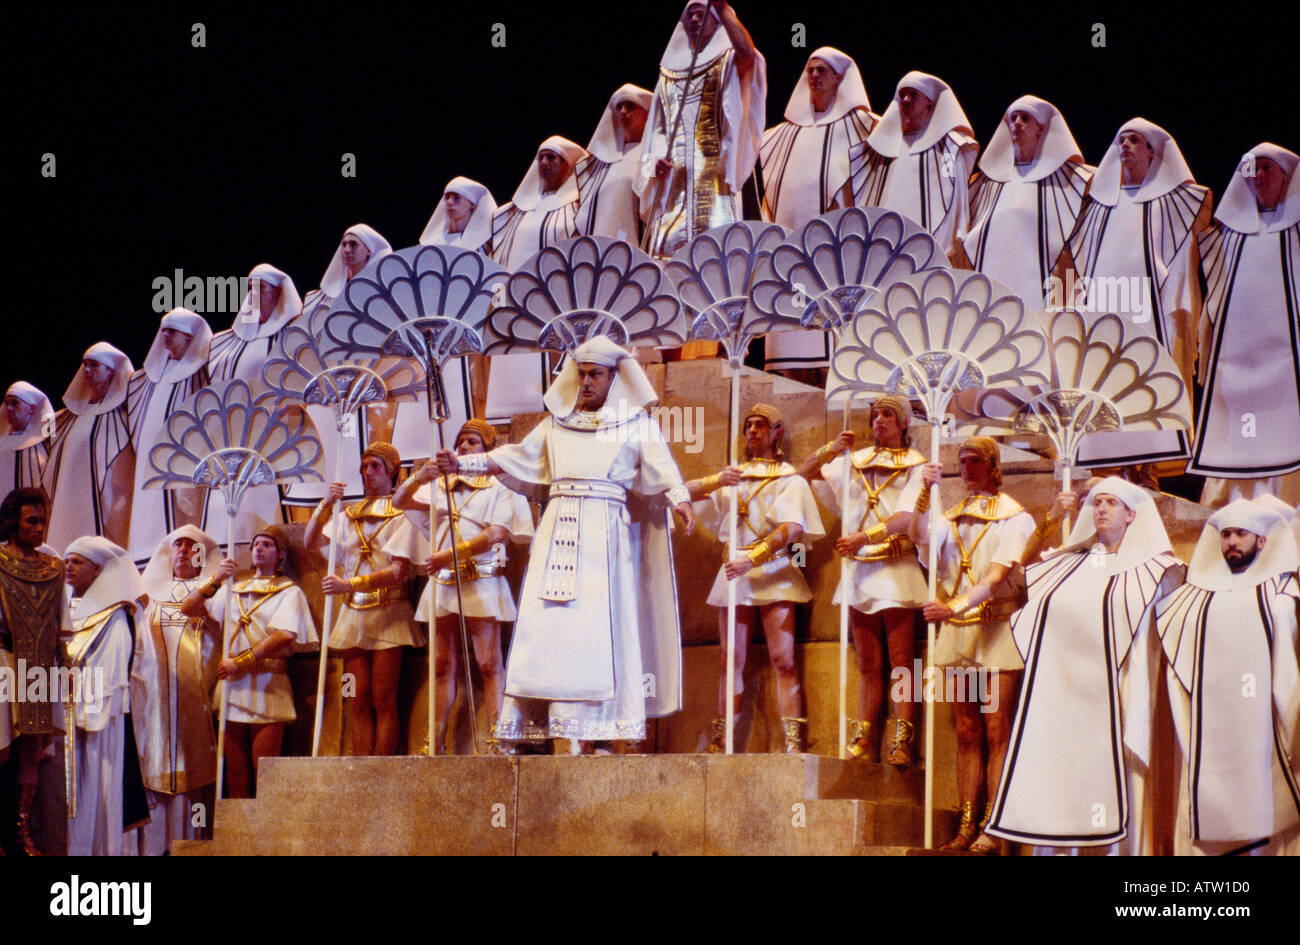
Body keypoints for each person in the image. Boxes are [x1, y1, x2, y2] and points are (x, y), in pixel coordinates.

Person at [434, 336, 693, 752]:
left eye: (596, 375)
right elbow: (512, 456)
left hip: (604, 537)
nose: (587, 382)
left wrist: (680, 500)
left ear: (614, 378)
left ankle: (603, 732)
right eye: (582, 374)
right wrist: (461, 463)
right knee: (551, 628)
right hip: (556, 535)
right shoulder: (556, 424)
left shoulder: (635, 424)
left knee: (601, 631)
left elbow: (663, 471)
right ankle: (551, 725)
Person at [986, 477, 1184, 853]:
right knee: (1062, 781)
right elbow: (1016, 574)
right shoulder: (1065, 564)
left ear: (1131, 515)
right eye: (1096, 502)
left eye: (1111, 502)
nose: (1102, 509)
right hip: (1063, 698)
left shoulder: (1158, 568)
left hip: (1121, 692)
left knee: (1118, 782)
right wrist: (1052, 517)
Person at [913, 438, 1055, 852]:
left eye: (975, 461)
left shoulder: (1015, 518)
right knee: (965, 731)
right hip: (959, 634)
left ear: (993, 466)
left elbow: (995, 579)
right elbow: (918, 535)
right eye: (961, 462)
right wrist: (924, 490)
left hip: (995, 631)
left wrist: (949, 608)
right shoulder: (951, 515)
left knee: (997, 729)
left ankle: (996, 825)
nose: (967, 467)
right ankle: (966, 825)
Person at [1056, 119, 1211, 470]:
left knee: (1147, 382)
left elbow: (1182, 264)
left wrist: (1179, 313)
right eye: (1121, 140)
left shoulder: (1176, 202)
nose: (1124, 146)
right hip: (1105, 309)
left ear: (1153, 151)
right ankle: (1102, 460)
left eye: (1135, 141)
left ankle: (1148, 468)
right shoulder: (1098, 206)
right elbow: (1080, 263)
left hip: (1150, 312)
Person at [1156, 499, 1300, 855]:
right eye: (1226, 535)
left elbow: (1287, 667)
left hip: (1263, 726)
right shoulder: (1195, 596)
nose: (1231, 542)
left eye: (1241, 534)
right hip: (1209, 726)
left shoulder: (1282, 594)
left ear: (1262, 541)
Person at [392, 420, 534, 753]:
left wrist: (449, 554)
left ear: (486, 449)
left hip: (480, 579)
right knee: (442, 664)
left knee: (488, 663)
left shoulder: (500, 485)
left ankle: (499, 737)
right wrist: (419, 477)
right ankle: (436, 740)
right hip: (443, 582)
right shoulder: (440, 487)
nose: (464, 447)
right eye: (460, 443)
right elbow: (399, 502)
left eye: (472, 442)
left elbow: (498, 533)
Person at [689, 403, 824, 753]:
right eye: (748, 425)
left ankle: (794, 740)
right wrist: (717, 480)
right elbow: (680, 491)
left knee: (784, 659)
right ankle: (723, 737)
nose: (752, 431)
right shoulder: (734, 476)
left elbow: (792, 527)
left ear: (776, 432)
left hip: (774, 570)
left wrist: (753, 558)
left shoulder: (789, 477)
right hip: (735, 573)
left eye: (761, 425)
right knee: (730, 659)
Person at [798, 395, 925, 763]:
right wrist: (831, 448)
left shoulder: (917, 465)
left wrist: (862, 538)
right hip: (859, 569)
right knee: (867, 662)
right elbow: (802, 474)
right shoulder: (854, 461)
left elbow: (905, 518)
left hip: (895, 566)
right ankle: (864, 737)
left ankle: (902, 740)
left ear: (903, 423)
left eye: (888, 415)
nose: (879, 421)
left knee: (901, 659)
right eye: (874, 416)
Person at [1190, 144, 1300, 506]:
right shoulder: (1228, 236)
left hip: (1287, 367)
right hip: (1237, 369)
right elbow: (1214, 302)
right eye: (1253, 169)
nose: (1259, 176)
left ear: (1286, 176)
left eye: (1268, 168)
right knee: (1237, 440)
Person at [760, 47, 876, 378]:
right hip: (790, 261)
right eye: (810, 70)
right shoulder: (780, 136)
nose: (814, 76)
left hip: (839, 258)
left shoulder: (865, 130)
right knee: (789, 351)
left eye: (822, 70)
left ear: (840, 78)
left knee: (835, 356)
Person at [304, 442, 422, 757]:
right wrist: (326, 504)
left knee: (384, 698)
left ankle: (380, 768)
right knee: (357, 697)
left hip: (389, 611)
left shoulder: (403, 513)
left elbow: (399, 570)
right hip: (354, 614)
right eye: (364, 467)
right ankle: (359, 767)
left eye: (375, 467)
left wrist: (350, 583)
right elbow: (310, 542)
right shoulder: (349, 514)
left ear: (392, 471)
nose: (367, 473)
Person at [182, 524, 316, 798]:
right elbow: (189, 608)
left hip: (268, 684)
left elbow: (284, 634)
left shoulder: (290, 591)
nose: (258, 549)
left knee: (265, 772)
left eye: (266, 544)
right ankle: (236, 836)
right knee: (234, 772)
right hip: (233, 686)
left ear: (280, 554)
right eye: (255, 544)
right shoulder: (234, 588)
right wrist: (216, 580)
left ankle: (266, 838)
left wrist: (239, 663)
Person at [638, 1, 765, 259]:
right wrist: (654, 168)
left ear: (718, 22)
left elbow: (748, 55)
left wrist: (722, 7)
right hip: (673, 189)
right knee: (666, 257)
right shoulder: (668, 76)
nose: (695, 20)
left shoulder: (728, 64)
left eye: (702, 15)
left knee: (717, 255)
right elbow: (655, 135)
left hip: (716, 181)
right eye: (691, 16)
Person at [286, 226, 395, 514]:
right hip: (330, 383)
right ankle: (328, 507)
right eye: (344, 244)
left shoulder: (382, 293)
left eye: (353, 245)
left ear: (369, 251)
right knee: (329, 442)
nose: (346, 250)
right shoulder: (322, 299)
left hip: (368, 382)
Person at [131, 524, 222, 854]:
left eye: (191, 545)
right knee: (153, 766)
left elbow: (228, 638)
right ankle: (154, 849)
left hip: (194, 692)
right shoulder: (150, 594)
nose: (183, 550)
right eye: (177, 545)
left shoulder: (215, 592)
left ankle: (192, 845)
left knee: (192, 774)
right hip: (155, 696)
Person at [487, 136, 588, 422]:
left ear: (568, 165)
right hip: (517, 303)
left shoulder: (577, 207)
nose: (544, 163)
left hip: (556, 303)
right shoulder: (516, 212)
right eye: (541, 157)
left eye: (552, 158)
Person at [961, 95, 1092, 310]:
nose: (1017, 124)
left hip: (1037, 280)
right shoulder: (991, 178)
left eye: (1025, 118)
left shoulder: (1068, 180)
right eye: (1013, 118)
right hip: (992, 270)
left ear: (1040, 129)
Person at [205, 263, 304, 541]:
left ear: (277, 293)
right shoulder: (235, 341)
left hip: (278, 432)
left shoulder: (292, 333)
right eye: (250, 288)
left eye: (260, 288)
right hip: (236, 434)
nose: (254, 294)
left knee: (267, 504)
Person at [63, 536, 149, 856]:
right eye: (67, 561)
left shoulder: (115, 613)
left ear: (98, 569)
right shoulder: (64, 606)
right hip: (64, 714)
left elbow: (113, 667)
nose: (68, 567)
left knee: (95, 789)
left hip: (96, 719)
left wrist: (78, 693)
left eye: (77, 561)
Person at [0, 488, 66, 855]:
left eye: (43, 521)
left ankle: (21, 831)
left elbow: (62, 625)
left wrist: (64, 666)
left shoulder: (52, 569)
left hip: (40, 666)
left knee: (33, 752)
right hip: (3, 660)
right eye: (32, 521)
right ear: (13, 522)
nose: (40, 528)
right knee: (1, 749)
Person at [851, 71, 978, 261]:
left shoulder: (949, 148)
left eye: (913, 95)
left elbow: (953, 198)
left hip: (927, 244)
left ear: (929, 101)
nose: (906, 100)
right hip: (883, 241)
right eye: (902, 95)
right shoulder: (885, 146)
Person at [125, 307, 212, 564]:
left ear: (188, 337)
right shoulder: (153, 377)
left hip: (186, 463)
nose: (164, 336)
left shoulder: (202, 372)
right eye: (163, 330)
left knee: (184, 515)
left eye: (172, 331)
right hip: (151, 466)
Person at [42, 342, 134, 552]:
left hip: (105, 501)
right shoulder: (67, 417)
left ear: (110, 372)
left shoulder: (122, 418)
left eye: (94, 365)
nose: (87, 370)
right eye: (85, 365)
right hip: (66, 500)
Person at [577, 85, 654, 242]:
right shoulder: (602, 163)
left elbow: (652, 201)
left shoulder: (651, 154)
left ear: (646, 113)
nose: (623, 112)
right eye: (619, 107)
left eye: (630, 106)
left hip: (634, 246)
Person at [0, 382, 54, 500]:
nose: (9, 408)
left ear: (32, 408)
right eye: (7, 403)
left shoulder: (46, 444)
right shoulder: (2, 445)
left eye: (15, 403)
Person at [419, 176, 497, 253]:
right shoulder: (432, 244)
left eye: (456, 197)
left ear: (472, 204)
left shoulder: (485, 247)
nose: (449, 202)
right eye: (447, 197)